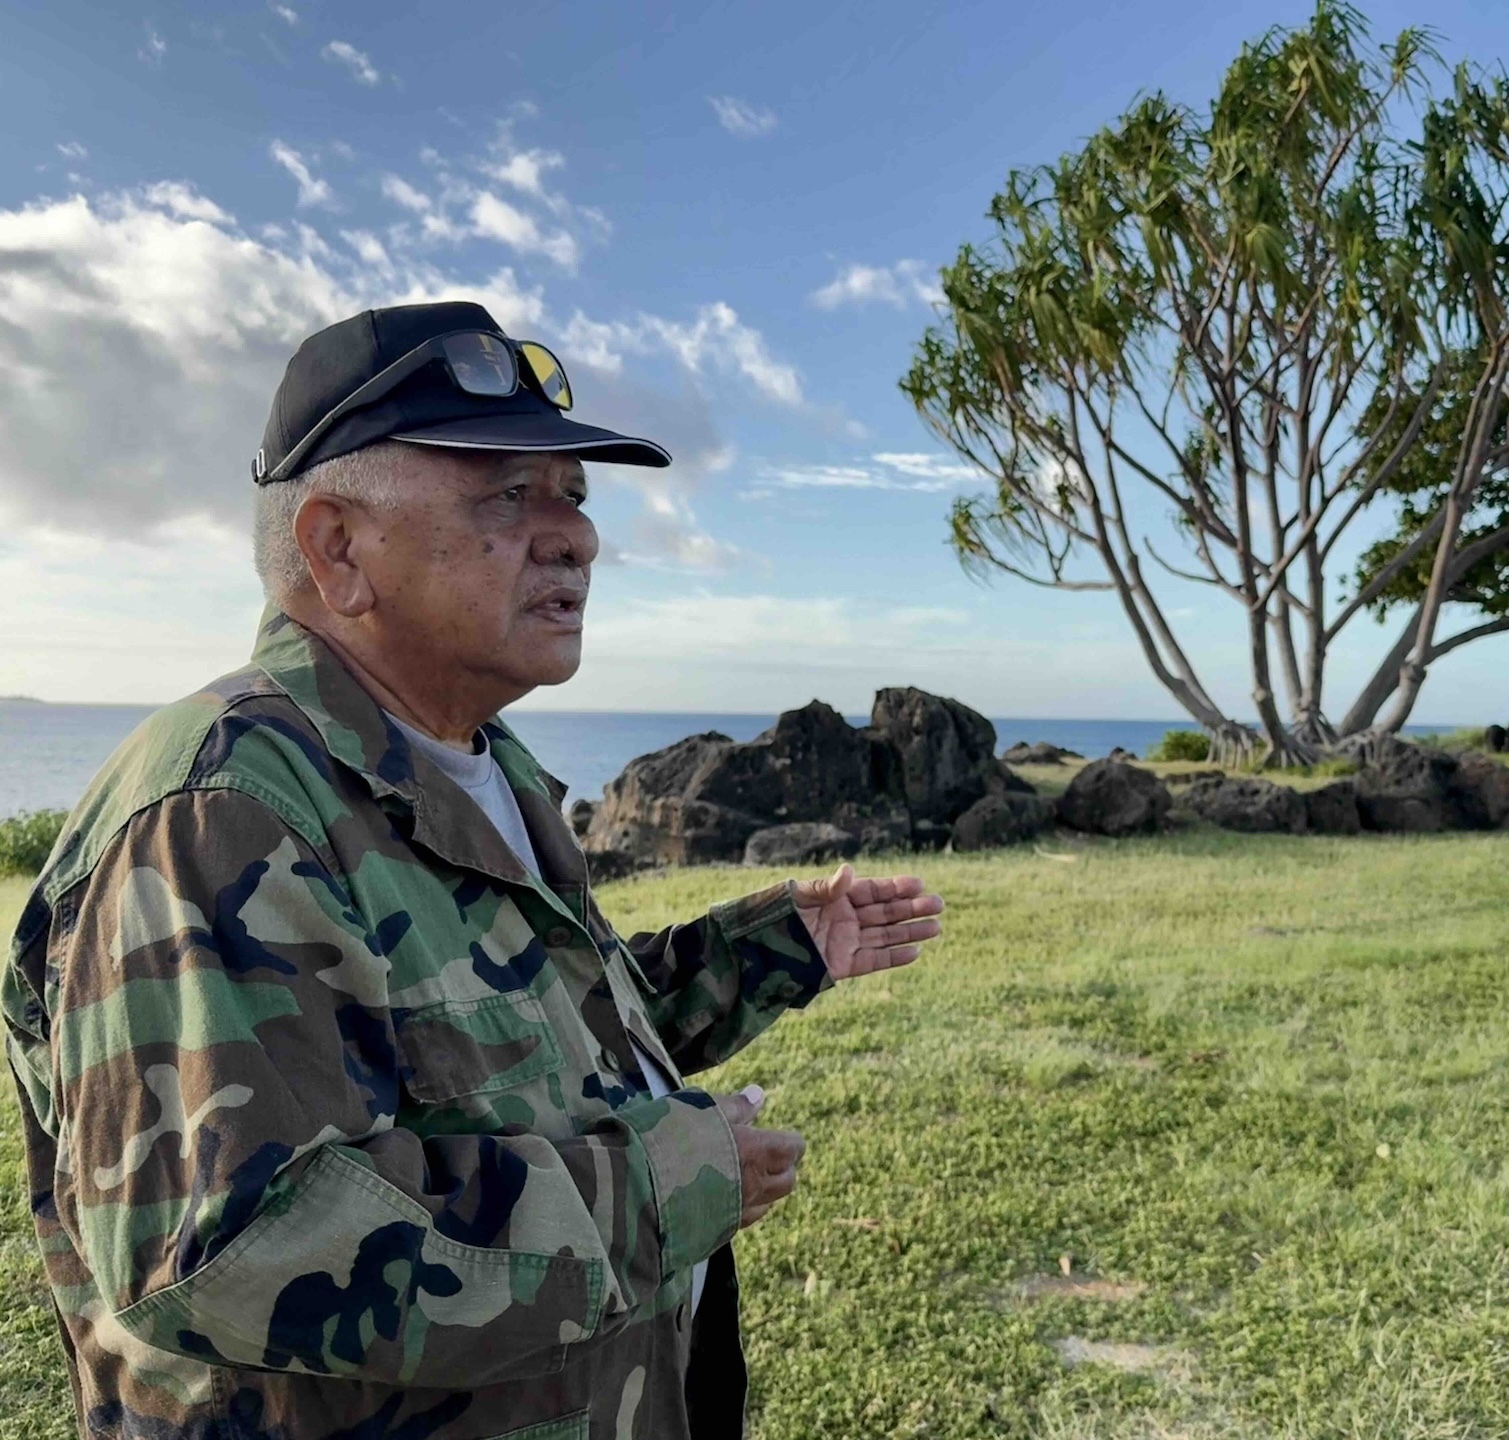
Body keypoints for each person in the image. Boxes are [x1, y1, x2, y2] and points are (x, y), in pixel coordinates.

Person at [0, 301, 944, 1440]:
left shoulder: (486, 764)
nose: (576, 538)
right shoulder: (220, 810)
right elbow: (222, 1247)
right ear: (338, 549)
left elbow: (528, 1037)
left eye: (576, 499)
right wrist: (665, 1188)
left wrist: (768, 951)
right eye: (509, 494)